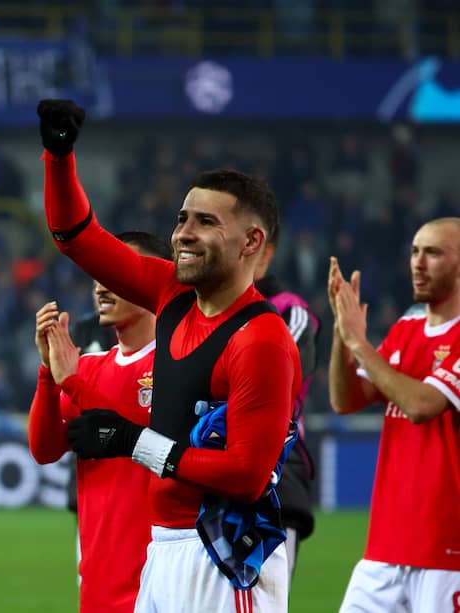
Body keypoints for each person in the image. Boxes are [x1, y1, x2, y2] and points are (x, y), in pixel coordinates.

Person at [36, 99, 301, 612]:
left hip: (225, 558)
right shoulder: (172, 294)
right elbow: (77, 238)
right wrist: (59, 157)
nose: (182, 233)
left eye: (205, 222)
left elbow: (246, 475)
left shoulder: (262, 340)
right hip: (162, 549)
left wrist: (135, 442)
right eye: (182, 219)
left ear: (251, 241)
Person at [29, 231, 170, 613]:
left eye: (116, 274)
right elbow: (44, 450)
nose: (101, 288)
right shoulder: (89, 367)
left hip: (159, 579)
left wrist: (71, 382)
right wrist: (47, 372)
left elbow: (128, 434)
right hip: (98, 579)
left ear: (153, 281)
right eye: (97, 277)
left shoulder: (174, 367)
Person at [328, 217, 460, 612]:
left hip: (445, 554)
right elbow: (346, 399)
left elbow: (421, 406)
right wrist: (341, 336)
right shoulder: (406, 327)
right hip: (383, 551)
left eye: (433, 253)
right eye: (415, 251)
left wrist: (359, 342)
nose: (418, 263)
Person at [253, 227, 321, 580]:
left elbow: (281, 375)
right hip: (215, 463)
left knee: (266, 595)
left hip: (279, 459)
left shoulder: (291, 310)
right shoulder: (204, 305)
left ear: (264, 251)